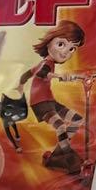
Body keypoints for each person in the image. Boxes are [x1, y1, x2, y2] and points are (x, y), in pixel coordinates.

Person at [17, 20, 87, 174]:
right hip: (41, 104)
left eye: (72, 48)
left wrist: (20, 85)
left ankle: (57, 155)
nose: (65, 52)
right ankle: (68, 158)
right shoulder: (47, 64)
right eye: (61, 44)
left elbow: (27, 74)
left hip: (50, 102)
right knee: (60, 126)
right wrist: (60, 77)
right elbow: (43, 74)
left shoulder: (44, 63)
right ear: (49, 42)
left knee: (77, 120)